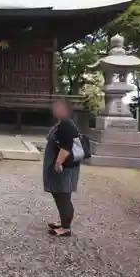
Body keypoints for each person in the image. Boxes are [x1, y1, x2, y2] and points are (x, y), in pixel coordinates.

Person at [43, 99, 80, 237]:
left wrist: (58, 163)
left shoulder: (67, 125)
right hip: (61, 166)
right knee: (59, 194)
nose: (55, 109)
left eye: (58, 107)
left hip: (65, 167)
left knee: (63, 195)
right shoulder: (61, 124)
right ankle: (64, 222)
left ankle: (66, 228)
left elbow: (66, 147)